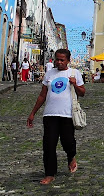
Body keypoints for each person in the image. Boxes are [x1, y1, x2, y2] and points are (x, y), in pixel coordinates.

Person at [27, 49, 85, 185]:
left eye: (62, 60)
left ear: (68, 60)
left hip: (67, 114)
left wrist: (74, 84)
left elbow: (82, 93)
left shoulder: (74, 73)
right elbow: (42, 95)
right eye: (57, 59)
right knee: (49, 144)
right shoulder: (49, 73)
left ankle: (71, 156)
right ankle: (49, 173)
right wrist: (33, 113)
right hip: (50, 114)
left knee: (68, 141)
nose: (59, 62)